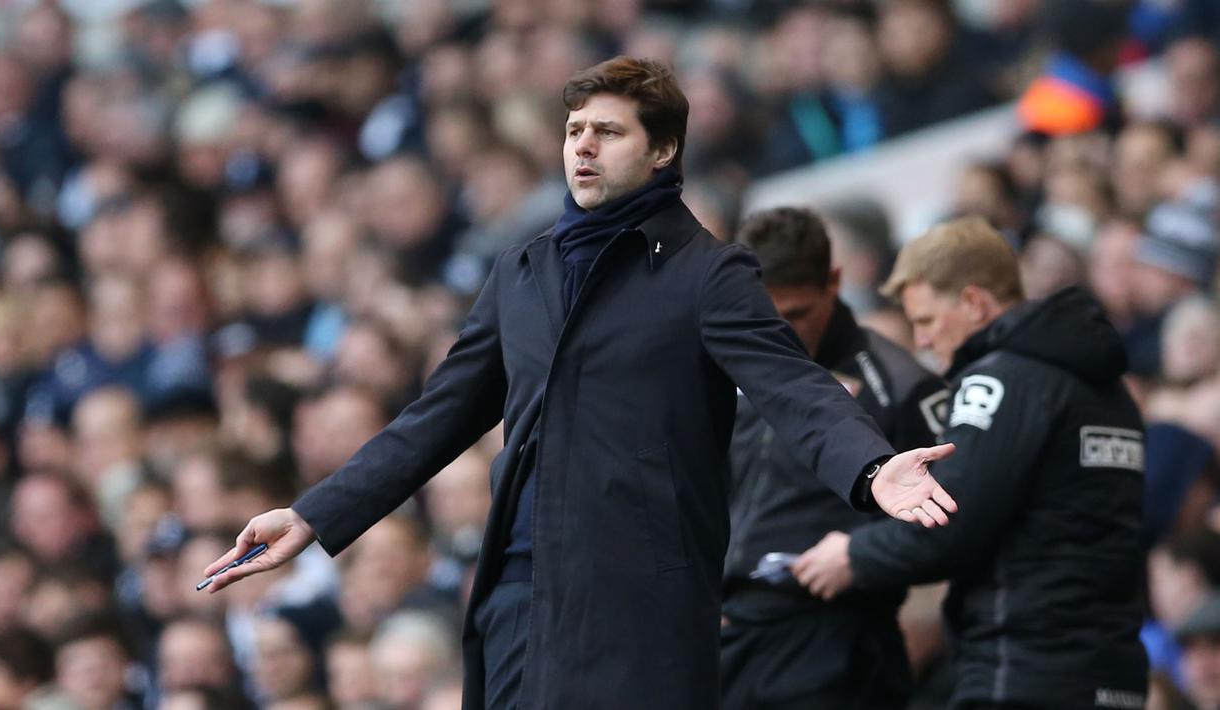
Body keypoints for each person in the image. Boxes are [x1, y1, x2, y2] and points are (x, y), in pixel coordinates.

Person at [204, 56, 958, 710]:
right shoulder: (521, 269)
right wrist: (312, 516)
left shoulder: (707, 274)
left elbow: (793, 387)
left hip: (638, 604)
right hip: (517, 598)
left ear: (662, 149)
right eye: (573, 132)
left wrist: (869, 469)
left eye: (608, 132)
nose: (583, 148)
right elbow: (436, 417)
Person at [794, 217, 1148, 709]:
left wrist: (853, 556)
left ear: (974, 303)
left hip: (1025, 669)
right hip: (1112, 669)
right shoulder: (1106, 391)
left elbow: (946, 520)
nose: (920, 342)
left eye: (926, 321)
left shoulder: (998, 381)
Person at [722, 206, 948, 709]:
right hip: (730, 639)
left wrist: (858, 555)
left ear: (834, 282)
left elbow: (949, 520)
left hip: (838, 642)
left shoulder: (899, 385)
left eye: (797, 314)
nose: (782, 332)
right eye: (767, 316)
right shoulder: (723, 371)